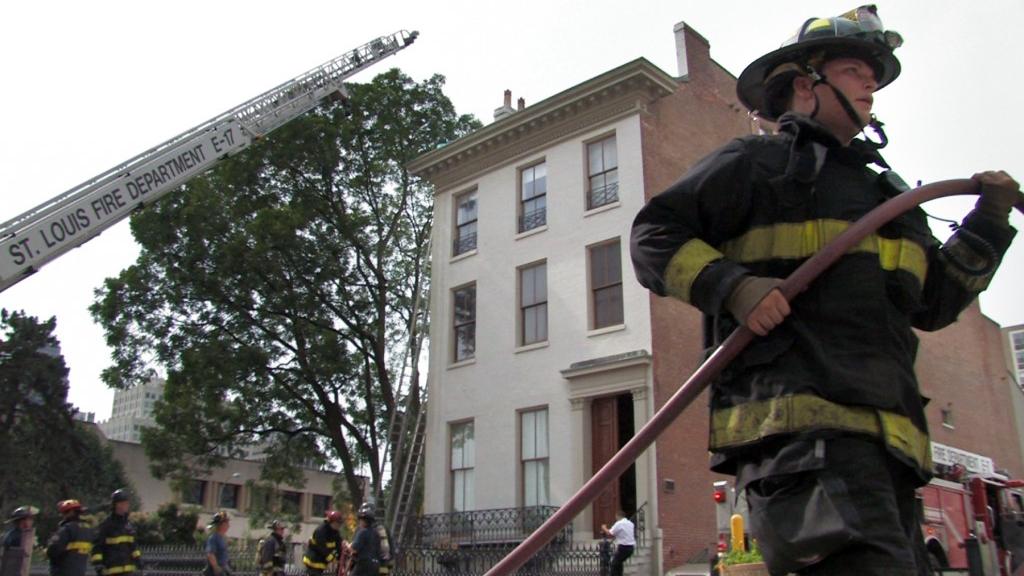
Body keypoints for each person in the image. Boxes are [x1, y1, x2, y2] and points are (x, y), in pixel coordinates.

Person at [630, 5, 1019, 576]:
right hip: (800, 447)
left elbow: (933, 304)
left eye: (875, 73)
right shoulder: (755, 164)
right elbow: (652, 235)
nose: (872, 82)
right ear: (806, 86)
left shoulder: (886, 199)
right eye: (854, 68)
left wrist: (987, 223)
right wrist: (733, 288)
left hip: (891, 454)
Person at [91, 489, 142, 576]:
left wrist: (139, 561)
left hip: (128, 571)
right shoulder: (107, 525)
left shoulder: (128, 525)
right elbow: (97, 547)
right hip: (111, 571)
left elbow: (133, 546)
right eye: (124, 503)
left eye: (127, 503)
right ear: (117, 505)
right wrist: (98, 565)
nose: (127, 506)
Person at [47, 500, 94, 576]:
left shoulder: (67, 529)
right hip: (80, 571)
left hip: (64, 571)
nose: (63, 516)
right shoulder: (87, 529)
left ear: (71, 512)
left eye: (64, 513)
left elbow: (53, 549)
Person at [302, 510, 343, 576]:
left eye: (340, 523)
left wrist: (339, 558)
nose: (339, 525)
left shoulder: (335, 532)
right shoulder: (320, 531)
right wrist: (333, 559)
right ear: (331, 522)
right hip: (313, 560)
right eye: (338, 523)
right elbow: (322, 548)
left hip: (322, 561)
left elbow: (338, 546)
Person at [2, 506, 38, 576]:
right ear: (22, 521)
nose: (32, 522)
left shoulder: (18, 534)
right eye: (30, 519)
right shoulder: (18, 537)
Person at [347, 504, 380, 576]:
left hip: (363, 565)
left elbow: (354, 549)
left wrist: (347, 545)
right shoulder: (376, 533)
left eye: (360, 520)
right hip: (375, 566)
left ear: (363, 520)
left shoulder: (362, 532)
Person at [600, 511, 634, 576]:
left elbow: (609, 533)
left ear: (618, 516)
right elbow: (624, 533)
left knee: (614, 564)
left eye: (616, 517)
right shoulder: (630, 523)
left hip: (624, 547)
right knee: (619, 563)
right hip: (631, 548)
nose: (616, 518)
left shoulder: (619, 523)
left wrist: (604, 528)